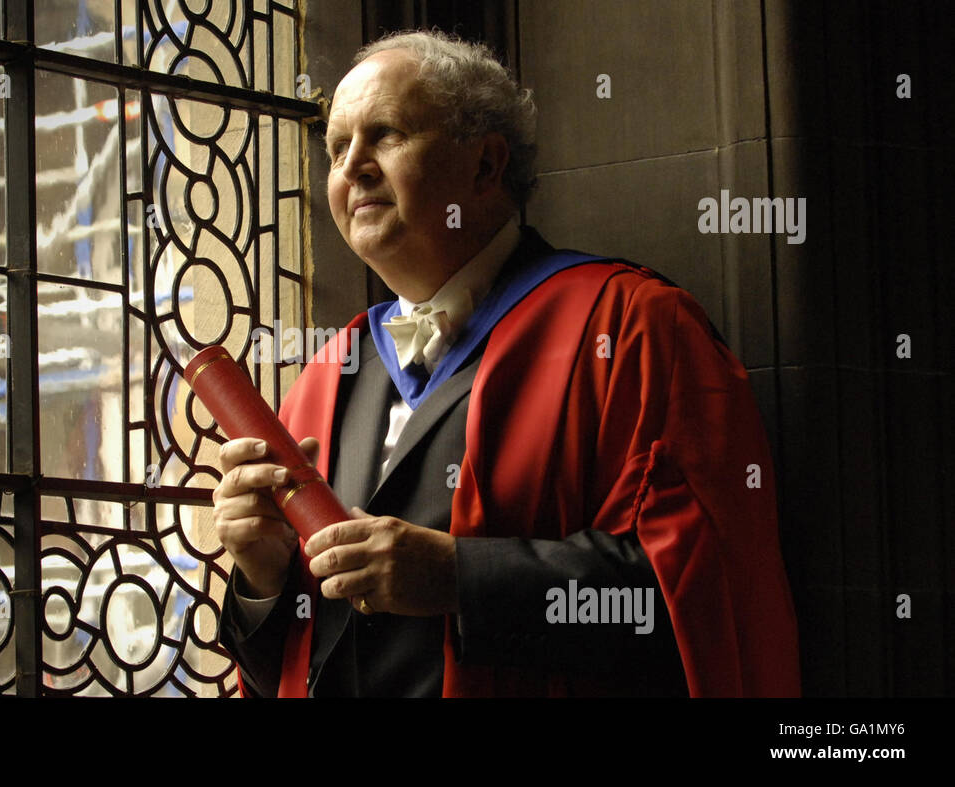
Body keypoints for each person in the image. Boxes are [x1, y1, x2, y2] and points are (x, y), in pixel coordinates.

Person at [213, 30, 800, 697]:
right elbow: (292, 669)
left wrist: (464, 579)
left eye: (386, 135)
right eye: (337, 147)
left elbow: (704, 602)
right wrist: (262, 579)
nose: (352, 168)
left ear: (487, 167)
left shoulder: (633, 328)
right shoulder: (326, 374)